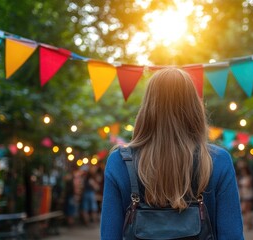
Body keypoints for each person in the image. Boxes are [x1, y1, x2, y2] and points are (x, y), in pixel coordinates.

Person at [101, 68, 244, 239]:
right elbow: (232, 235)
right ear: (194, 108)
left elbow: (109, 235)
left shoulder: (119, 162)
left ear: (147, 108)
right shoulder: (217, 161)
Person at [237, 162, 253, 230]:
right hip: (244, 195)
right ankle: (248, 224)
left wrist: (241, 184)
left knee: (247, 210)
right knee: (244, 210)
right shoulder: (242, 177)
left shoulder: (249, 177)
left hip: (249, 195)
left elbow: (248, 185)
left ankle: (249, 224)